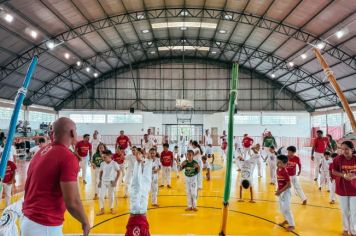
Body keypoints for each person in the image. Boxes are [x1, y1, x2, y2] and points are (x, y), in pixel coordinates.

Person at [21, 117, 90, 236]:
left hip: (29, 221)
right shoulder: (67, 157)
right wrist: (85, 221)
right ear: (72, 133)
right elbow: (72, 202)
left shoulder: (42, 151)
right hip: (44, 225)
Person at [125, 147, 152, 236]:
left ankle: (143, 161)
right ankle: (145, 161)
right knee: (138, 186)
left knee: (141, 186)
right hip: (137, 212)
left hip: (138, 212)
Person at [332, 141, 356, 236]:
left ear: (352, 149)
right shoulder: (338, 159)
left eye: (346, 149)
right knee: (345, 210)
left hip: (355, 190)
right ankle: (345, 229)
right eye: (342, 149)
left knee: (354, 211)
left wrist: (354, 176)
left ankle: (353, 230)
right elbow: (334, 171)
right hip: (343, 189)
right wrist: (344, 175)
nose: (344, 151)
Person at [97, 150, 120, 216]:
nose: (103, 158)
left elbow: (118, 172)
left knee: (111, 196)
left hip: (111, 182)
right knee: (101, 196)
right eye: (103, 157)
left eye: (105, 157)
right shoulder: (102, 163)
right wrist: (100, 180)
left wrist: (115, 181)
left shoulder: (114, 163)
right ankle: (102, 209)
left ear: (110, 156)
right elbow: (101, 172)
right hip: (103, 181)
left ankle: (111, 208)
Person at [276, 154, 295, 232]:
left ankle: (292, 225)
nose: (278, 164)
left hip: (286, 192)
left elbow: (289, 185)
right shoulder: (278, 169)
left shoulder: (285, 172)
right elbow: (279, 181)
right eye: (277, 162)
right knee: (281, 208)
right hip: (281, 192)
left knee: (286, 209)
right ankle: (287, 220)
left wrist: (280, 191)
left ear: (284, 164)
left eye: (279, 162)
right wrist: (278, 190)